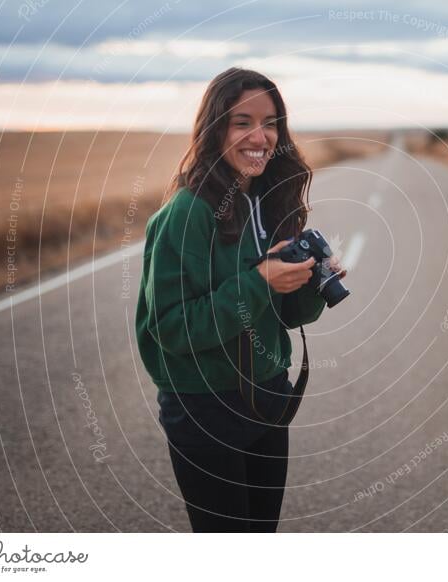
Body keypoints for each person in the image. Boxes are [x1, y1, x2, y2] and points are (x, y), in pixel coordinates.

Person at [135, 67, 345, 532]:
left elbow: (283, 316)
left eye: (270, 123)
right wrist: (260, 282)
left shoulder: (269, 201)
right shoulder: (185, 213)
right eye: (242, 122)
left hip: (268, 397)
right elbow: (171, 327)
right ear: (215, 130)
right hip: (207, 409)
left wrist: (307, 283)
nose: (261, 136)